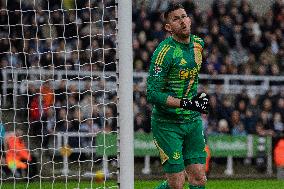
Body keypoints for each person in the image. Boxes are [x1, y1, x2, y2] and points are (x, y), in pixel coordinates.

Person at [146, 3, 209, 189]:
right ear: (168, 27)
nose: (182, 21)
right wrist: (188, 103)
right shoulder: (163, 53)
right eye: (176, 19)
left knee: (199, 178)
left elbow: (189, 78)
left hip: (192, 121)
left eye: (184, 16)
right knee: (177, 184)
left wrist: (197, 100)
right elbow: (152, 94)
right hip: (167, 124)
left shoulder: (199, 44)